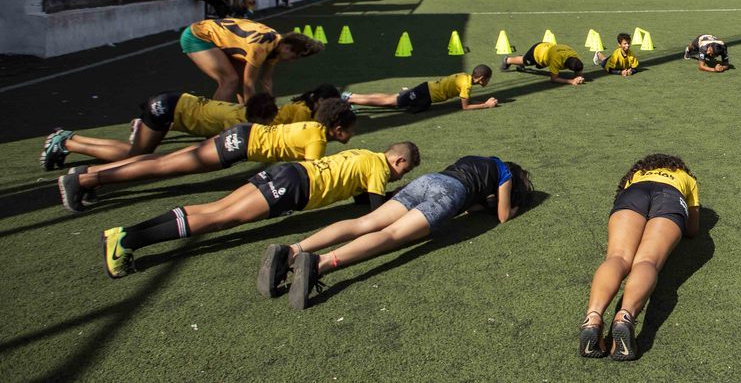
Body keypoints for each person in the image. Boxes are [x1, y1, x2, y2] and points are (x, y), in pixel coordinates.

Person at [100, 143, 419, 279]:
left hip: (289, 171)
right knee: (221, 220)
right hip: (296, 188)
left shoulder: (366, 154)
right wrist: (401, 200)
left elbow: (358, 198)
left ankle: (124, 233)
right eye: (402, 173)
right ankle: (128, 241)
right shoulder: (380, 169)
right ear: (399, 161)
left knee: (215, 207)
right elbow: (376, 214)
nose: (398, 177)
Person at [262, 154, 533, 309]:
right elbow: (502, 216)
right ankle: (319, 263)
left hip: (429, 180)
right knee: (391, 236)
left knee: (365, 222)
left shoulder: (478, 161)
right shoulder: (503, 173)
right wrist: (514, 207)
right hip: (449, 193)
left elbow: (471, 204)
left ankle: (294, 250)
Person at [59, 98, 357, 211]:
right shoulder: (317, 139)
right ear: (337, 127)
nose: (352, 135)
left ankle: (85, 175)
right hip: (237, 145)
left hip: (240, 136)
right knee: (163, 167)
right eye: (350, 130)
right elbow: (312, 175)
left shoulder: (310, 126)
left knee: (162, 162)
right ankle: (86, 181)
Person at [579, 154, 700, 360]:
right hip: (670, 198)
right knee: (647, 260)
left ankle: (593, 317)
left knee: (617, 257)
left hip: (633, 195)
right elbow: (692, 229)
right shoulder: (686, 178)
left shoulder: (636, 175)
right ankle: (625, 316)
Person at [40, 90, 290, 170]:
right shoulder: (235, 124)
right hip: (165, 109)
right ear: (258, 116)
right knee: (135, 156)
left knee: (138, 154)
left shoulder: (238, 111)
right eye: (267, 121)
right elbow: (215, 148)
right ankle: (66, 141)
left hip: (172, 102)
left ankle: (68, 141)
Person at [180, 17, 323, 102]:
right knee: (230, 80)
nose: (291, 61)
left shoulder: (276, 47)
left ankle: (241, 116)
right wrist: (253, 117)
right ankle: (210, 122)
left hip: (219, 40)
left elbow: (266, 81)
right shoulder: (261, 46)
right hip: (198, 36)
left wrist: (270, 107)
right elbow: (249, 84)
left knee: (239, 79)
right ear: (287, 47)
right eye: (293, 57)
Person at [343, 66, 497, 112]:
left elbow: (466, 100)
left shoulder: (465, 77)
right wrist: (486, 105)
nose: (488, 82)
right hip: (424, 94)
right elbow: (465, 107)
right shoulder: (467, 85)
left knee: (393, 98)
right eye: (488, 79)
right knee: (391, 102)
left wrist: (482, 101)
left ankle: (352, 96)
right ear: (482, 79)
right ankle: (350, 98)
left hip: (425, 92)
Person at [502, 39, 586, 86]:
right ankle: (508, 60)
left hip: (546, 47)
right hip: (537, 52)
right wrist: (571, 81)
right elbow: (554, 79)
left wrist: (579, 77)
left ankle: (522, 62)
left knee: (538, 65)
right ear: (566, 66)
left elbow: (578, 69)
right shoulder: (556, 60)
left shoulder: (574, 55)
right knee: (524, 61)